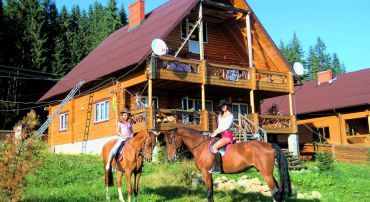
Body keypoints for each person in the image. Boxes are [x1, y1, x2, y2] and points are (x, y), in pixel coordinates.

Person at [209, 99, 234, 173]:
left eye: (224, 105)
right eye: (221, 106)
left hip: (227, 136)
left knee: (214, 147)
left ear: (227, 105)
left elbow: (225, 127)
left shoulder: (230, 115)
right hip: (221, 135)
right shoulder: (220, 116)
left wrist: (216, 133)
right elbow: (219, 127)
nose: (223, 107)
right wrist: (213, 132)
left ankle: (217, 168)